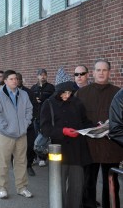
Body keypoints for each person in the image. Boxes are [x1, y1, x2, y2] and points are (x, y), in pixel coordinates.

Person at [41, 67, 92, 208]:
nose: (67, 95)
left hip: (77, 151)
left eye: (70, 92)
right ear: (58, 91)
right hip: (58, 151)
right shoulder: (49, 104)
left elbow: (85, 122)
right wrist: (63, 131)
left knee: (76, 188)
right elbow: (45, 129)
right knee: (59, 186)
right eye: (64, 92)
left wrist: (96, 127)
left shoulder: (77, 103)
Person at [75, 59, 122, 208]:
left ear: (109, 72)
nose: (101, 73)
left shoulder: (118, 93)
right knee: (88, 181)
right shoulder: (81, 93)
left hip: (111, 146)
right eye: (98, 70)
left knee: (111, 182)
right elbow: (76, 117)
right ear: (93, 73)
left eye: (104, 70)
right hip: (90, 144)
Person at [0, 70, 33, 199]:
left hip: (21, 135)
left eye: (16, 79)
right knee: (3, 163)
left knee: (21, 162)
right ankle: (2, 188)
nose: (15, 81)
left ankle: (22, 188)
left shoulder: (24, 94)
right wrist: (6, 126)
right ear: (5, 81)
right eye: (11, 79)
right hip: (6, 135)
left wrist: (25, 124)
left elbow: (29, 110)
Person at [31, 68, 55, 167]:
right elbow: (30, 101)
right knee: (36, 137)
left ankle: (43, 158)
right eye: (41, 75)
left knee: (45, 137)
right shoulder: (33, 88)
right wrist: (35, 100)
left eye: (44, 75)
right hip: (36, 116)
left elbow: (53, 99)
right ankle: (35, 157)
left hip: (47, 116)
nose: (43, 76)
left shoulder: (51, 88)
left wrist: (44, 99)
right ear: (37, 76)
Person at [17, 73, 38, 176]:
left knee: (30, 146)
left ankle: (28, 165)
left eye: (19, 79)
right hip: (15, 126)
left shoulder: (29, 92)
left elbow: (35, 107)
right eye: (15, 79)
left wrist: (31, 119)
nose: (17, 81)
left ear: (22, 80)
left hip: (28, 125)